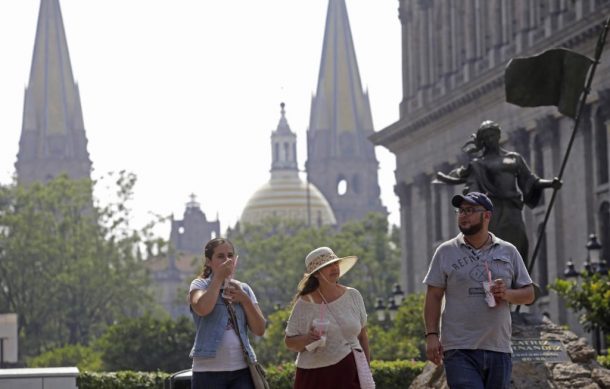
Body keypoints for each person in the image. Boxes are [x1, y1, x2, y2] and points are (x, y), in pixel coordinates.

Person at [423, 192, 535, 389]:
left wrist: (507, 294)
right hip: (459, 349)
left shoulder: (508, 251)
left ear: (487, 216)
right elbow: (433, 296)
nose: (463, 215)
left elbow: (529, 294)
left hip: (499, 347)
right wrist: (431, 335)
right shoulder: (445, 251)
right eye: (461, 211)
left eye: (470, 211)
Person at [436, 120, 561, 261]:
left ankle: (520, 279)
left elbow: (531, 180)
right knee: (493, 247)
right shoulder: (479, 164)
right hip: (493, 212)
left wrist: (551, 183)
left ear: (498, 136)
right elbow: (473, 192)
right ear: (482, 141)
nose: (491, 140)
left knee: (519, 244)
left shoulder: (514, 158)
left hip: (512, 210)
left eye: (493, 135)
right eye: (487, 137)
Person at [284, 247, 371, 389]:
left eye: (335, 263)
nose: (334, 268)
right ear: (316, 274)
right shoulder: (304, 304)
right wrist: (308, 338)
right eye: (327, 266)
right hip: (315, 377)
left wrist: (366, 372)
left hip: (350, 374)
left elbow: (363, 337)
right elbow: (289, 342)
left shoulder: (353, 296)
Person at [188, 237, 266, 389]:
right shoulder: (199, 285)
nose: (226, 260)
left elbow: (260, 329)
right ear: (209, 261)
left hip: (241, 370)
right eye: (220, 256)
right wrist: (218, 279)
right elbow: (202, 308)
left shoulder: (244, 289)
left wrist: (245, 300)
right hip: (207, 370)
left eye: (230, 256)